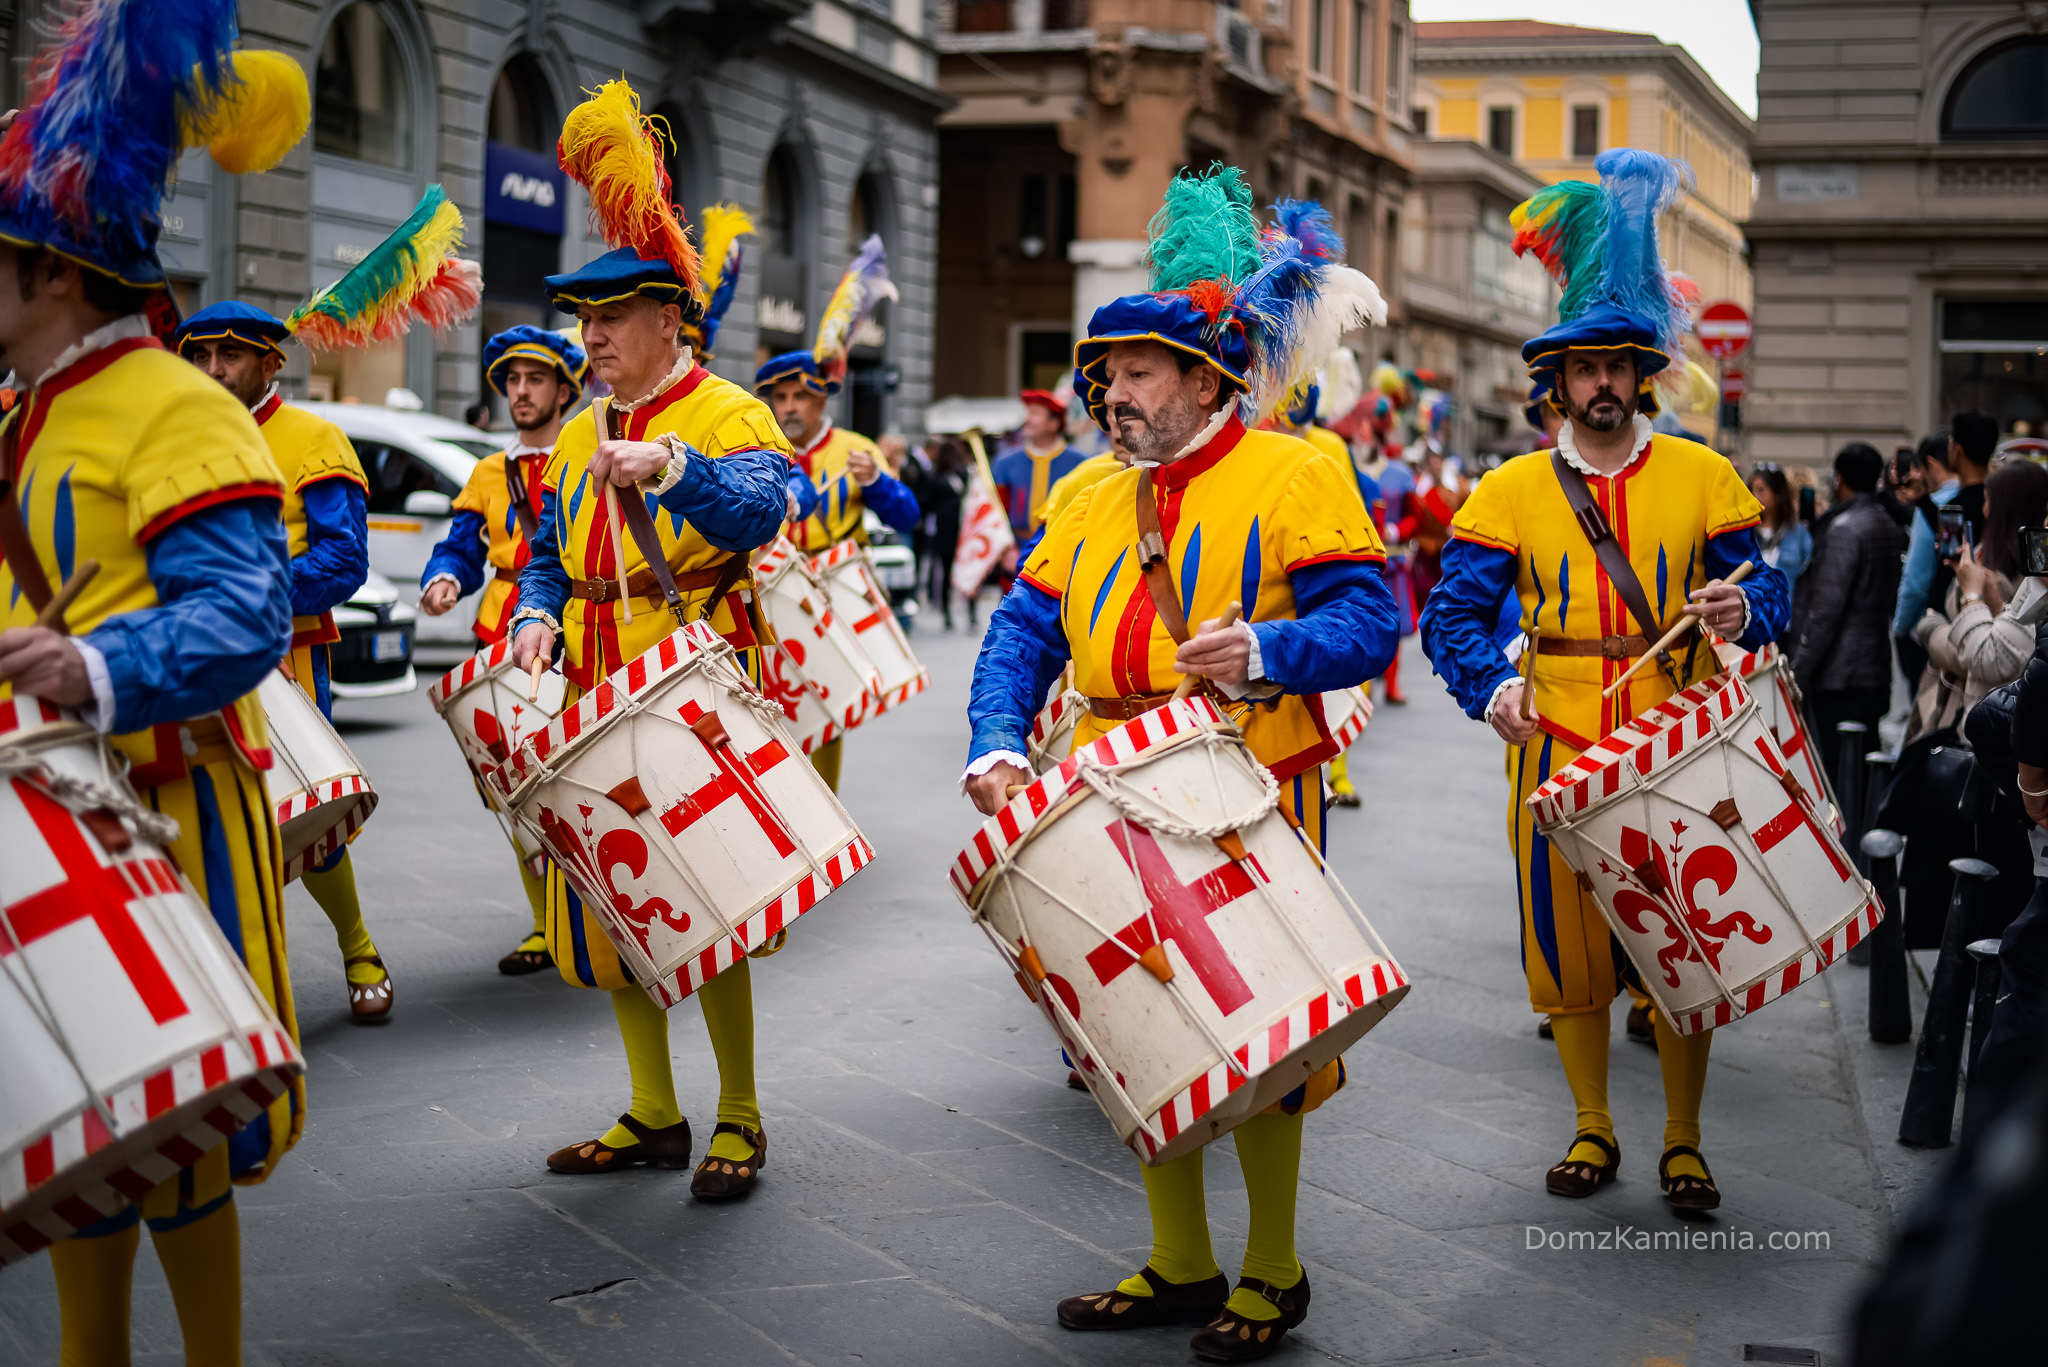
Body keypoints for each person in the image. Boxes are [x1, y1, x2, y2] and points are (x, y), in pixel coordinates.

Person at [965, 169, 1397, 1362]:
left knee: (1260, 1027)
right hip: (1102, 785)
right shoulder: (1085, 488)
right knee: (1128, 1022)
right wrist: (996, 737)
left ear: (1207, 379)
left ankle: (1271, 1267)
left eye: (1140, 369)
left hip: (1242, 787)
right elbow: (1020, 629)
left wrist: (1268, 646)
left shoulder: (1298, 471)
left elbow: (1370, 622)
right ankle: (1176, 1259)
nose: (1112, 389)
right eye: (1105, 372)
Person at [0, 21, 307, 1362]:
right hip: (37, 810)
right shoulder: (27, 413)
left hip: (162, 805)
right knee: (65, 1100)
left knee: (167, 1120)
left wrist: (94, 665)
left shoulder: (177, 406)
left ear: (52, 272)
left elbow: (247, 612)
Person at [1420, 148, 1790, 1213]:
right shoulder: (1504, 488)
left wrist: (1742, 607)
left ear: (1640, 372)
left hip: (1679, 742)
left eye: (1615, 365)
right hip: (1554, 746)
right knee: (1567, 950)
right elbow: (1451, 617)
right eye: (1580, 367)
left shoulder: (1704, 475)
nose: (1599, 382)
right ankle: (1590, 1126)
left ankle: (1681, 1138)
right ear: (1555, 381)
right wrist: (1489, 690)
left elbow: (1764, 594)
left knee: (1681, 943)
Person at [508, 79, 790, 1199]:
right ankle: (653, 1111)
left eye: (610, 319)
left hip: (692, 675)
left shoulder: (726, 411)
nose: (592, 338)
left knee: (706, 904)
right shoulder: (578, 427)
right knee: (611, 898)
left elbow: (766, 509)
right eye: (585, 321)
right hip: (590, 673)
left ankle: (741, 1117)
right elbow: (542, 545)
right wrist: (533, 607)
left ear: (668, 321)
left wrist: (676, 469)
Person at [173, 302, 394, 1021]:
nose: (211, 371)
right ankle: (236, 978)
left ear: (272, 363)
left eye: (228, 357)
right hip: (188, 654)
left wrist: (247, 600)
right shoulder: (173, 437)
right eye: (201, 357)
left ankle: (358, 945)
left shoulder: (314, 437)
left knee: (307, 809)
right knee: (206, 817)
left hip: (287, 659)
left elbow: (343, 559)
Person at [421, 325, 588, 973]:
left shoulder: (586, 452)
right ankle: (549, 927)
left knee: (578, 783)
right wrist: (445, 578)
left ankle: (597, 915)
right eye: (512, 381)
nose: (520, 392)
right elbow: (461, 544)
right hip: (498, 640)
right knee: (512, 791)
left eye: (535, 379)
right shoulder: (489, 471)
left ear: (564, 388)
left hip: (572, 632)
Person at [753, 236, 920, 792]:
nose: (789, 408)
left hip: (831, 589)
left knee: (825, 706)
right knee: (764, 709)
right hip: (766, 593)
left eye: (800, 397)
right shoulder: (756, 449)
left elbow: (909, 514)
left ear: (822, 397)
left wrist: (875, 483)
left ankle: (819, 809)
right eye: (779, 398)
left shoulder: (856, 447)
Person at [1792, 443, 1908, 789]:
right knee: (1861, 766)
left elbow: (1826, 609)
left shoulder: (1845, 528)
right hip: (1871, 665)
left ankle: (1848, 838)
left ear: (1839, 479)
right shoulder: (1887, 523)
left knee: (1840, 771)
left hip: (1841, 673)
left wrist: (1798, 670)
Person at [1908, 459, 2048, 739]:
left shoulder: (2015, 576)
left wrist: (1933, 627)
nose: (1983, 508)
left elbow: (1988, 655)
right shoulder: (2000, 563)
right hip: (1980, 713)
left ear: (2002, 507)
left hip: (1983, 721)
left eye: (1987, 500)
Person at [991, 389, 1090, 539]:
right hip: (1016, 550)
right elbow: (995, 513)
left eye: (1035, 413)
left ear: (1054, 423)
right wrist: (1006, 550)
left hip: (1062, 547)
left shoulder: (1081, 462)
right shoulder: (1004, 462)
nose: (1027, 419)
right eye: (1027, 413)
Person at [1750, 464, 1812, 595]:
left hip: (1787, 609)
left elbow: (1810, 579)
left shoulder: (1799, 534)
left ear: (1778, 494)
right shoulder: (1744, 534)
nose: (1754, 496)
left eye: (1761, 490)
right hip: (1751, 611)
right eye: (1750, 490)